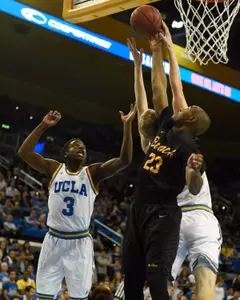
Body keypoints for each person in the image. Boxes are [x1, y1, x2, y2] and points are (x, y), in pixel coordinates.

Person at [128, 21, 220, 300]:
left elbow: (156, 96)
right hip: (191, 216)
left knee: (158, 282)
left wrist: (156, 55)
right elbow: (160, 92)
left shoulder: (164, 139)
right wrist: (163, 52)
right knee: (196, 284)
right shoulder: (164, 139)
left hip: (172, 218)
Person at [18, 106, 136, 300]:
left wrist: (127, 126)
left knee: (78, 297)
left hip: (79, 243)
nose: (81, 148)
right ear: (65, 153)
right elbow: (24, 152)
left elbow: (124, 160)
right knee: (44, 296)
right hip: (53, 240)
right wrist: (43, 126)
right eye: (75, 144)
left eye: (83, 147)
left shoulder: (92, 173)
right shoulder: (54, 168)